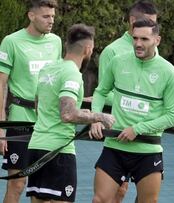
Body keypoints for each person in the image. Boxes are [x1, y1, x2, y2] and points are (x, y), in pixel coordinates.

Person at [90, 19, 174, 203]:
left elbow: (172, 116)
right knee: (100, 200)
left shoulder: (169, 72)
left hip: (148, 149)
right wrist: (96, 118)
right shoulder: (118, 61)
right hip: (114, 146)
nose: (138, 44)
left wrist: (137, 129)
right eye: (135, 38)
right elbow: (100, 92)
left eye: (144, 39)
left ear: (157, 40)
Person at [25, 23, 115, 203]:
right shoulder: (72, 73)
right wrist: (99, 116)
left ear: (66, 45)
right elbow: (67, 114)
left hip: (36, 146)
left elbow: (38, 104)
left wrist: (78, 110)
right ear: (89, 49)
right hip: (58, 152)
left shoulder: (48, 69)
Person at [0, 1, 61, 202]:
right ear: (31, 16)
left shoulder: (55, 41)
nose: (51, 21)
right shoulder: (11, 41)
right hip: (20, 121)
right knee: (17, 183)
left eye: (53, 17)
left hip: (48, 123)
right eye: (46, 17)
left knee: (44, 187)